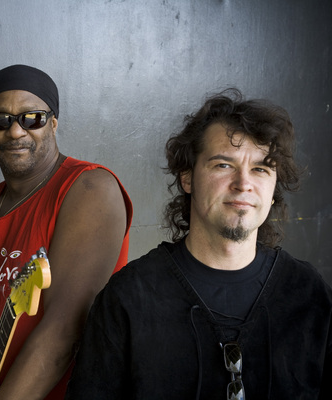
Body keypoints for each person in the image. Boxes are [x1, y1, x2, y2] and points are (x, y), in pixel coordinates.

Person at [65, 88, 332, 399]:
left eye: (260, 169)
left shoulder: (309, 294)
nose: (243, 184)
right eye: (223, 165)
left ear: (273, 190)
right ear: (187, 177)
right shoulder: (129, 297)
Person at [0, 64, 133, 399]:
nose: (15, 132)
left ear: (53, 123)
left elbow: (64, 329)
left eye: (32, 118)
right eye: (0, 119)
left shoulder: (89, 188)